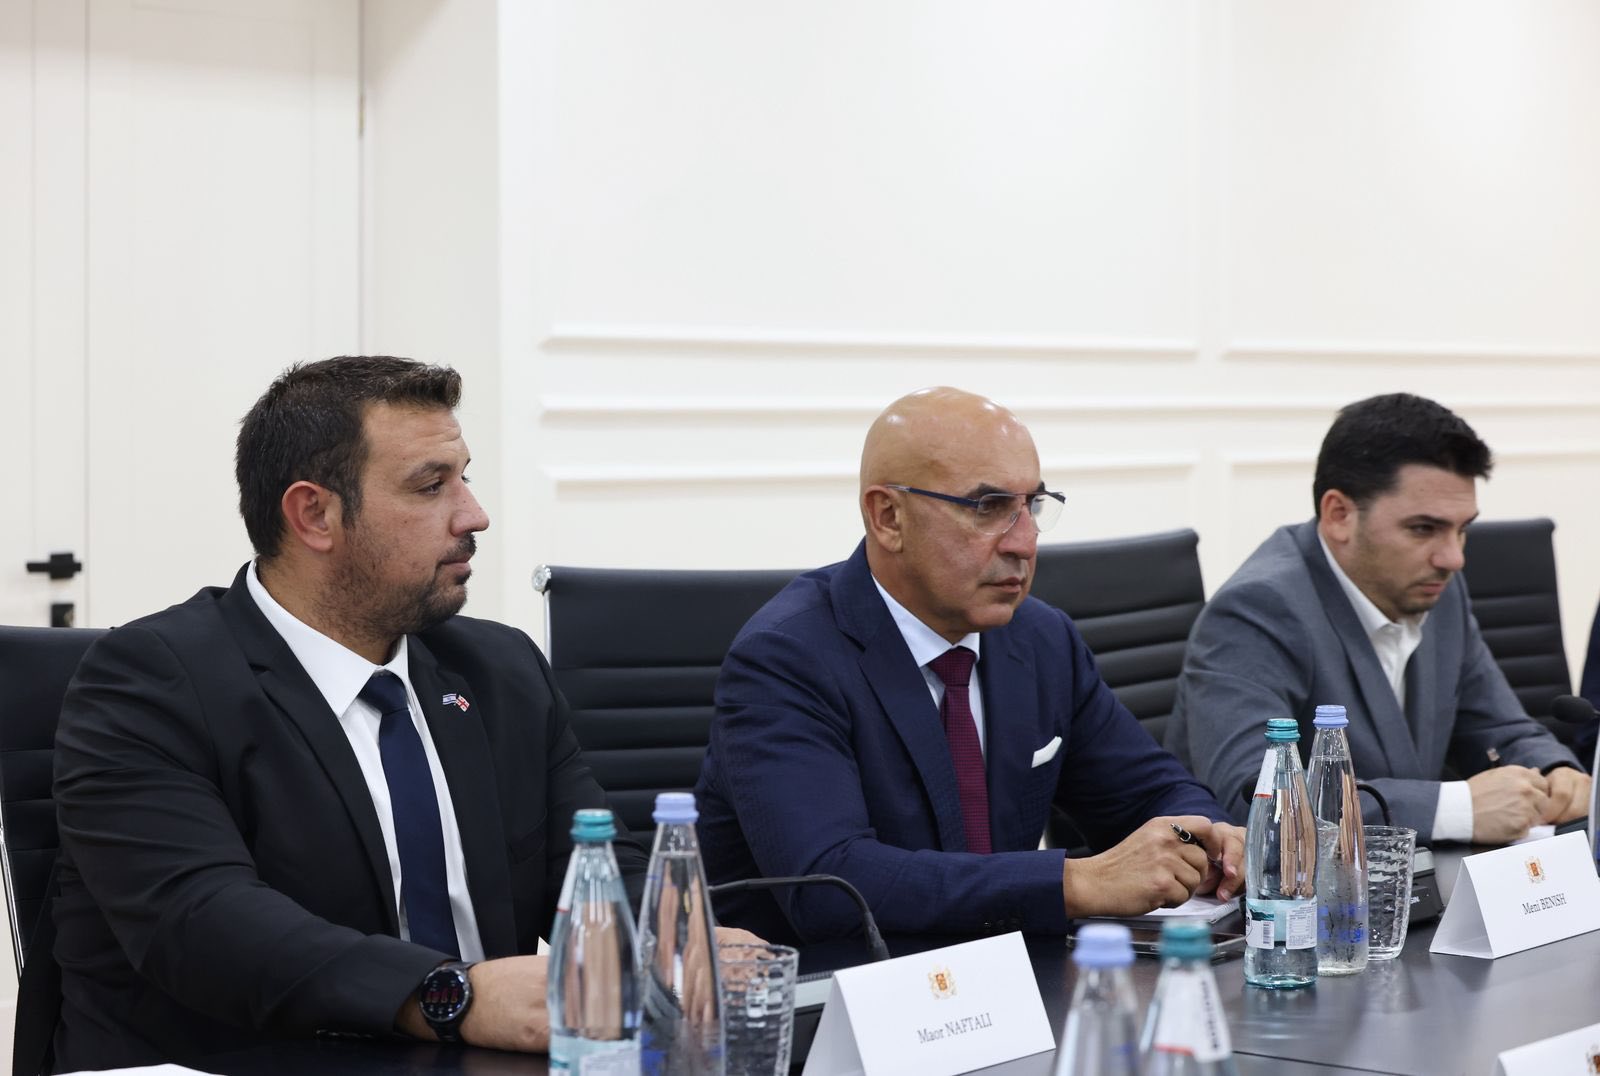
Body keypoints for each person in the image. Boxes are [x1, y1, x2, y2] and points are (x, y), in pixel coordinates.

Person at [50, 356, 650, 1070]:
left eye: (464, 477)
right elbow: (202, 921)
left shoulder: (500, 670)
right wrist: (450, 995)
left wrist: (677, 938)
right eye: (431, 485)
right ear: (315, 515)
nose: (473, 514)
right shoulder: (150, 683)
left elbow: (599, 867)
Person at [695, 387, 1243, 945]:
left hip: (1016, 979)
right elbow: (832, 885)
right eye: (989, 507)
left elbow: (1150, 792)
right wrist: (1074, 882)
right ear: (888, 517)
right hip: (836, 986)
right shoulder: (786, 658)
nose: (1025, 542)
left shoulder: (1041, 639)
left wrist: (1209, 839)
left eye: (1032, 505)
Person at [1168, 392, 1589, 845]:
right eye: (1423, 529)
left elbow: (1495, 726)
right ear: (1339, 515)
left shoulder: (1434, 587)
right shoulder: (1257, 609)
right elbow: (1256, 799)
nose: (1453, 558)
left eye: (1462, 528)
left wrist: (1554, 769)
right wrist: (1456, 809)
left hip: (1408, 878)